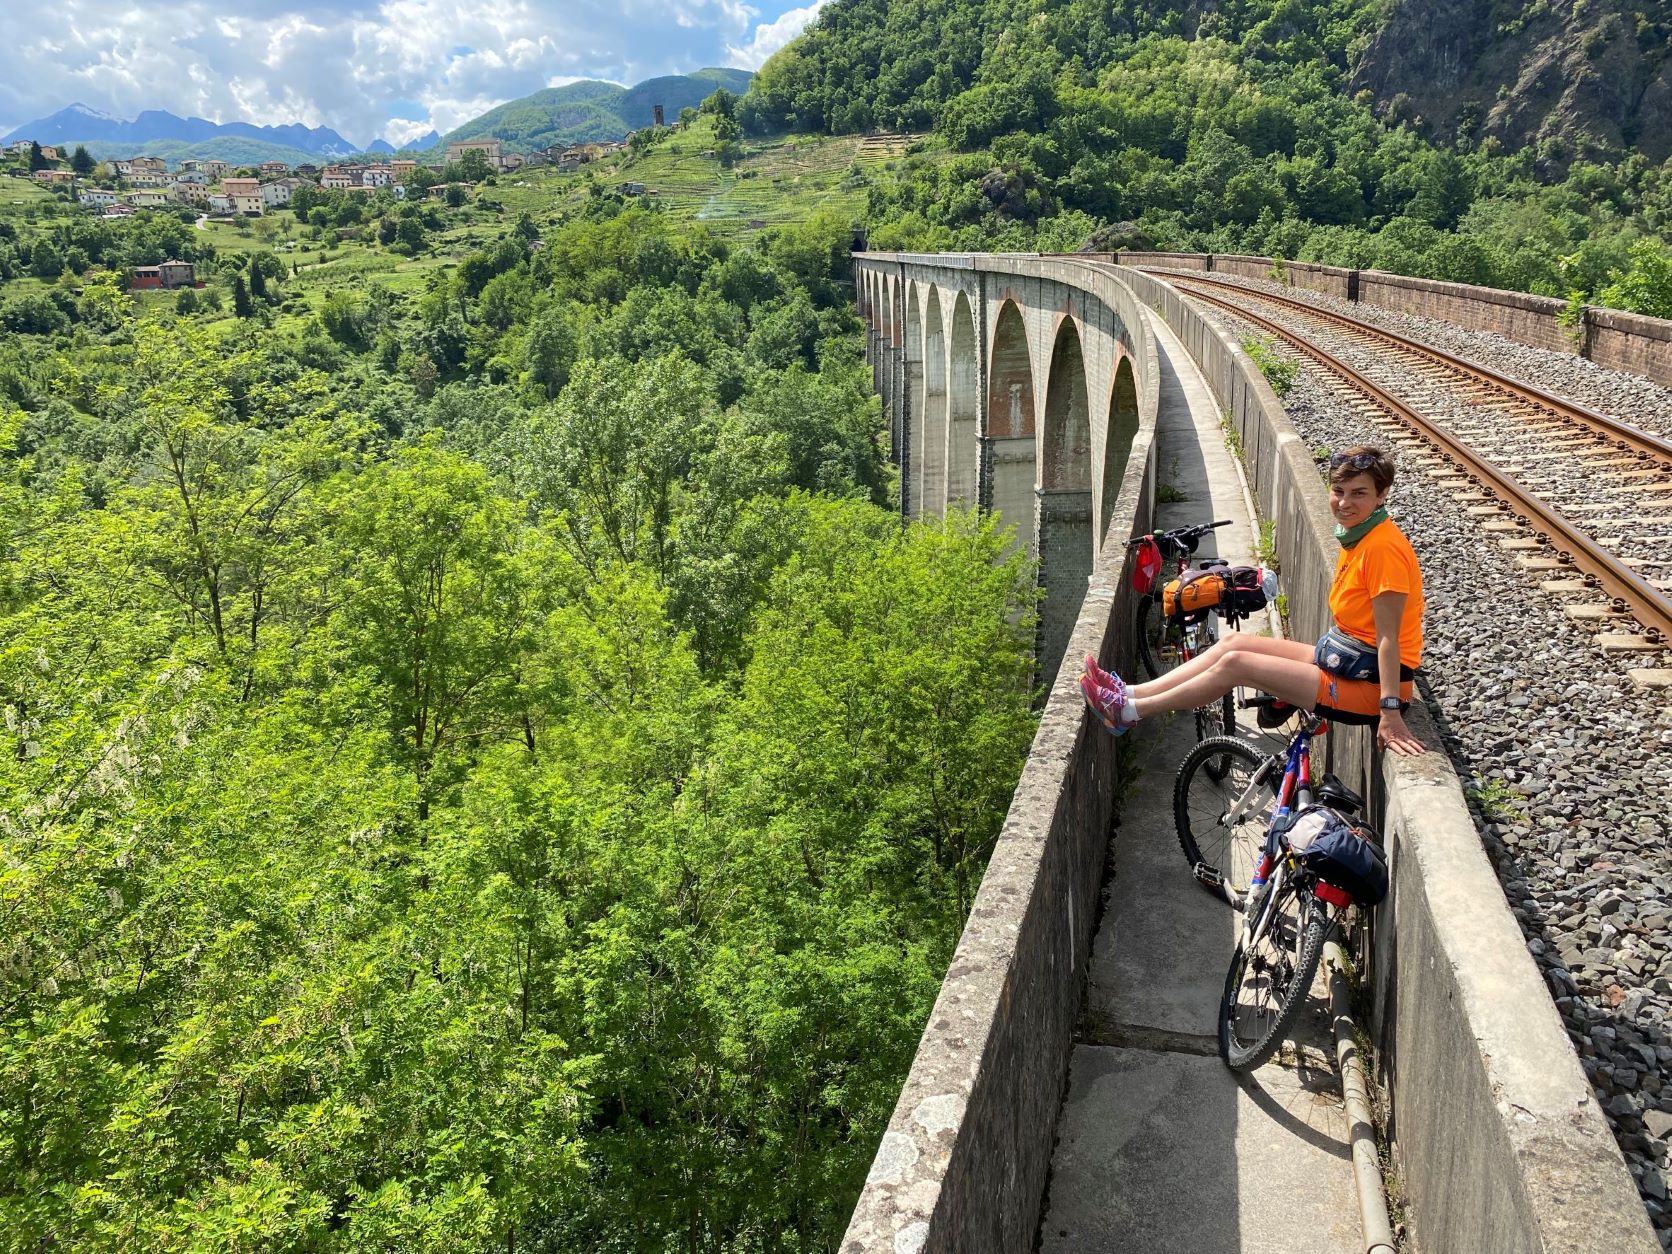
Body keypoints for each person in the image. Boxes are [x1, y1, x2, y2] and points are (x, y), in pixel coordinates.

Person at [1081, 446, 1426, 757]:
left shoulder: (1383, 550)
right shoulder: (1360, 537)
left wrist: (1390, 712)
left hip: (1371, 686)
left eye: (1359, 494)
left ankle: (1127, 713)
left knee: (1237, 665)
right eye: (1338, 491)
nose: (1344, 502)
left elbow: (1389, 638)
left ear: (1382, 495)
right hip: (1346, 660)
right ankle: (1129, 693)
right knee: (1232, 642)